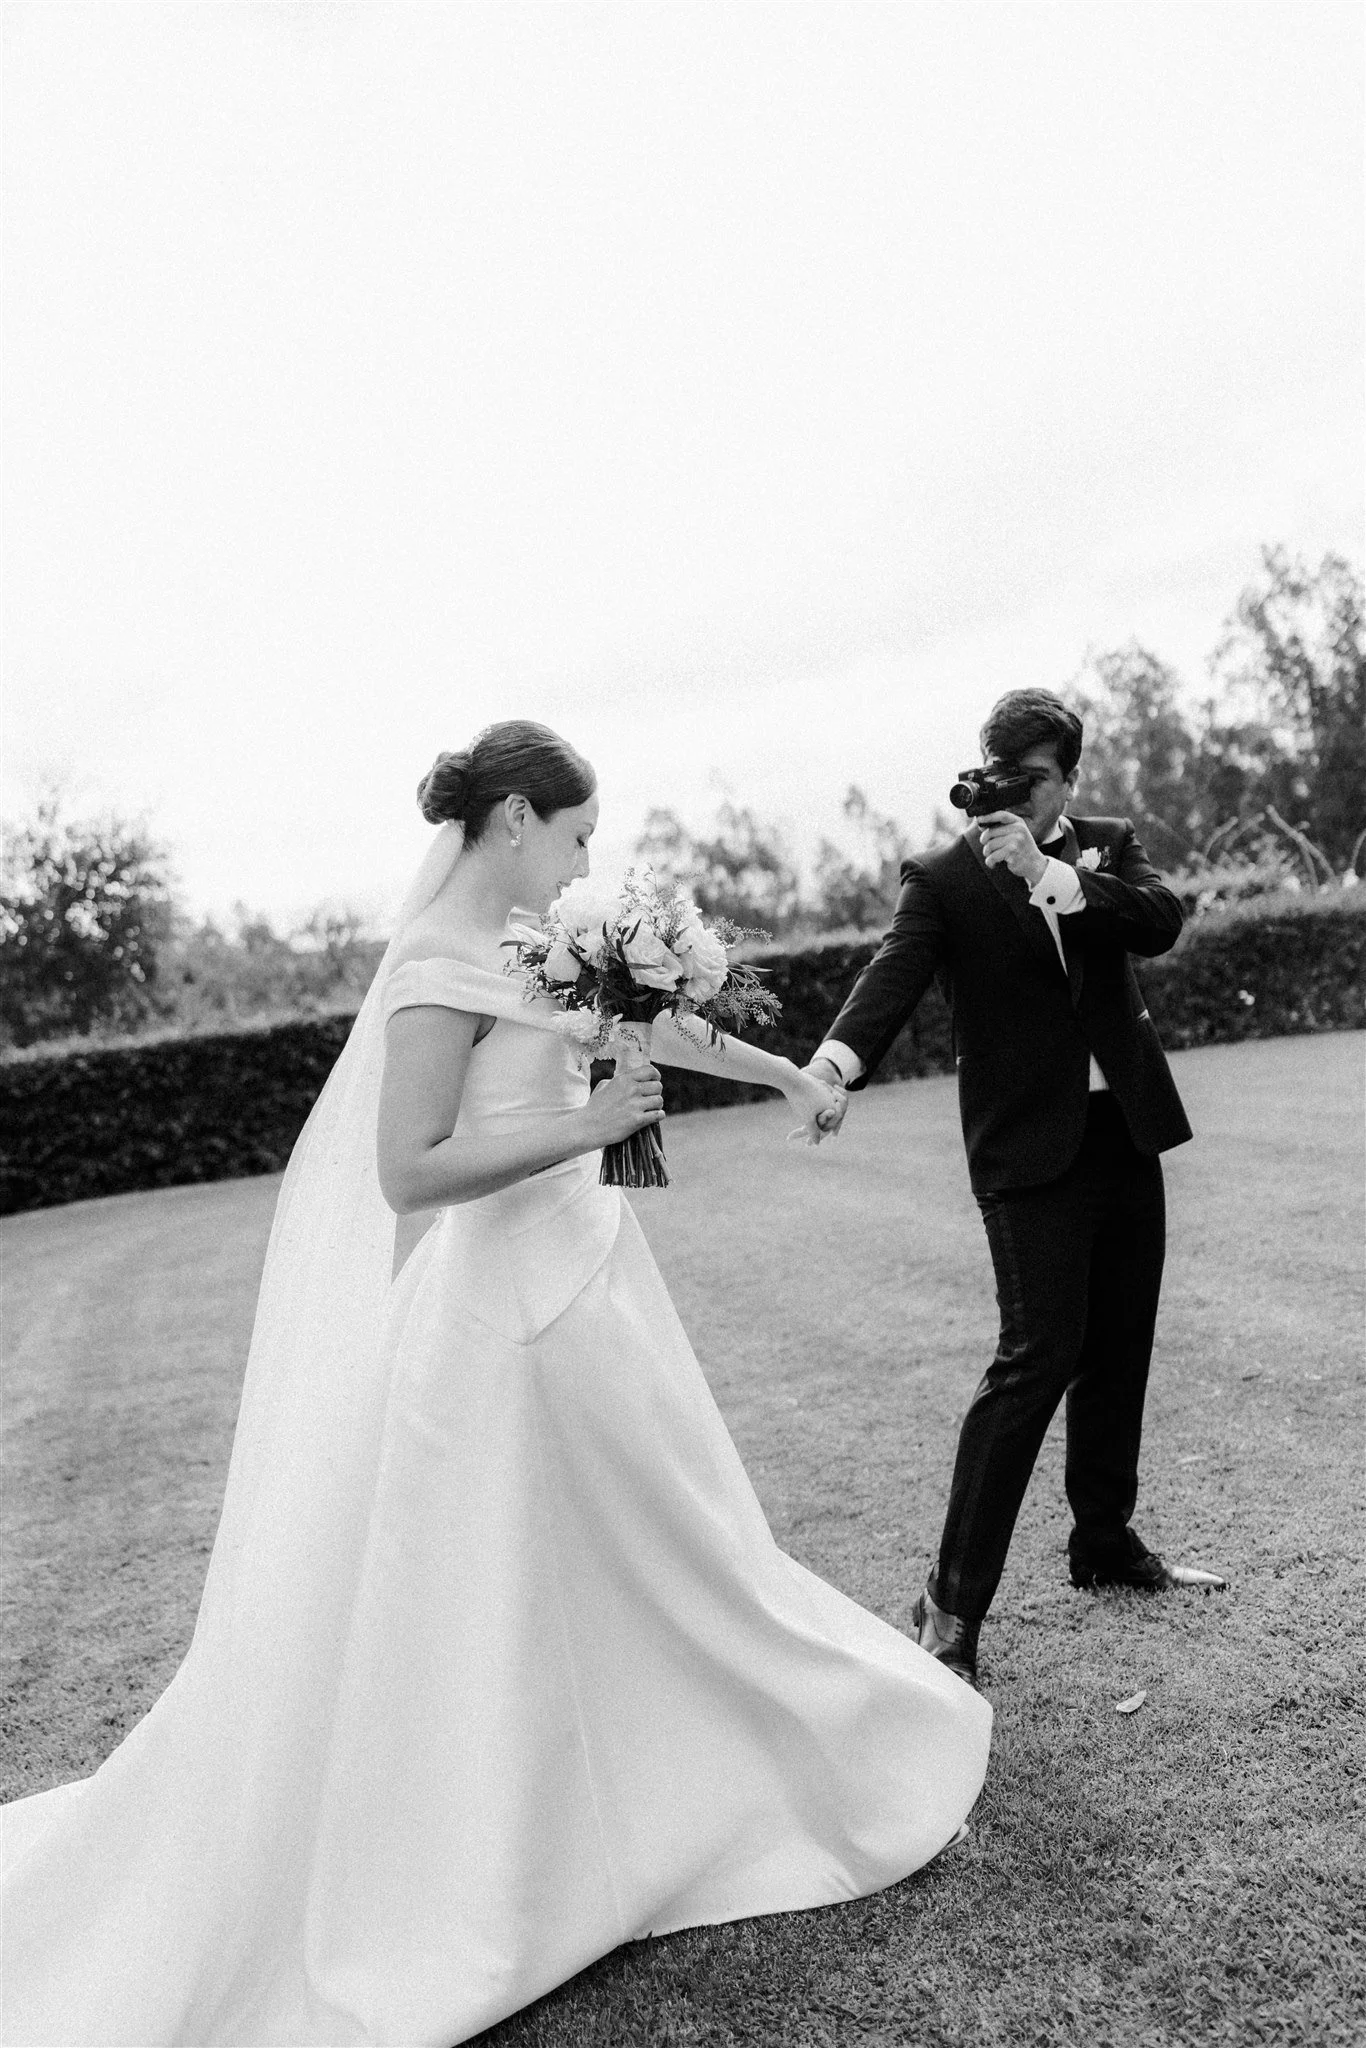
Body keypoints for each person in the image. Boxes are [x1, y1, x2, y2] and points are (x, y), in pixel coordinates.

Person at [0, 720, 991, 2048]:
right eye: (577, 836)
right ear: (515, 819)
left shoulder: (532, 948)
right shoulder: (427, 968)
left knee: (662, 1548)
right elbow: (407, 1169)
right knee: (587, 1566)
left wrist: (782, 1076)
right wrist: (584, 1126)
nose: (588, 860)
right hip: (501, 1313)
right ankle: (546, 1842)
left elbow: (650, 1027)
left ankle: (682, 1780)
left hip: (591, 1285)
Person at [805, 689, 1227, 1690]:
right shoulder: (945, 877)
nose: (1006, 790)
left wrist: (1051, 875)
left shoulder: (1108, 845)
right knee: (1036, 1356)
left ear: (1066, 782)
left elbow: (1158, 921)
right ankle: (948, 1603)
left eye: (1029, 777)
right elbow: (892, 973)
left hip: (1120, 1129)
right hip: (1024, 1152)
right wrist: (830, 1066)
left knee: (1120, 1341)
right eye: (994, 770)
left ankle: (1102, 1542)